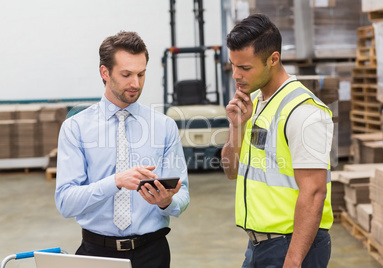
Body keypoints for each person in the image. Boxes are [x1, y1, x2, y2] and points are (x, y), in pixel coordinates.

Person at [55, 31, 189, 268]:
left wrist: (166, 202)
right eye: (126, 74)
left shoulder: (164, 126)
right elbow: (66, 202)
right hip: (96, 254)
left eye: (141, 74)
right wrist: (115, 181)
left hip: (153, 254)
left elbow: (183, 194)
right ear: (104, 73)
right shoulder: (75, 128)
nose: (136, 83)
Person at [221, 14, 334, 268]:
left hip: (293, 248)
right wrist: (236, 127)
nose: (236, 75)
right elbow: (231, 171)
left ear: (273, 59)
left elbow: (314, 192)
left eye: (245, 68)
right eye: (233, 65)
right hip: (258, 246)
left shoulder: (303, 111)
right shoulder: (257, 103)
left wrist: (292, 262)